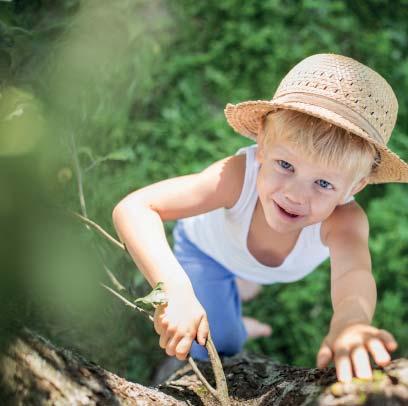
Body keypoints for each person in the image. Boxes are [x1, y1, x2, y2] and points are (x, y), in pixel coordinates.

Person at [112, 53, 408, 383]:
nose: (296, 195)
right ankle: (238, 327)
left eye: (323, 183)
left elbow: (354, 273)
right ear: (263, 146)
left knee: (242, 284)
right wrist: (177, 290)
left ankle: (240, 289)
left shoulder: (345, 221)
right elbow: (135, 208)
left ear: (355, 186)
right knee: (217, 339)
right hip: (206, 252)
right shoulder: (238, 178)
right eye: (286, 166)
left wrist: (351, 321)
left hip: (242, 256)